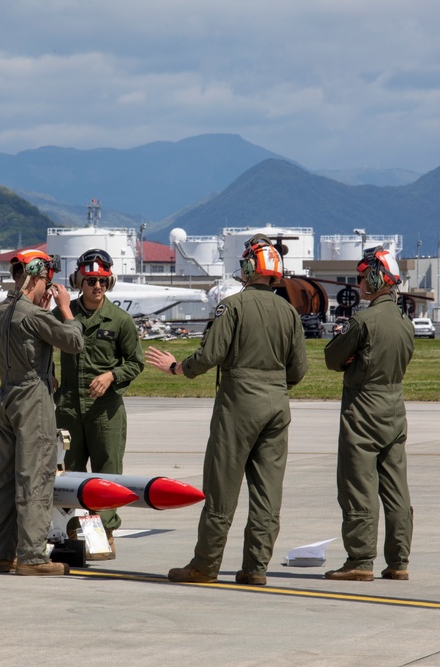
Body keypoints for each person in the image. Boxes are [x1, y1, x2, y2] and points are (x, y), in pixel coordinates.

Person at [145, 234, 307, 585]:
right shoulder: (290, 313)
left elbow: (209, 355)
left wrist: (177, 368)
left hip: (239, 404)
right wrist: (274, 388)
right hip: (277, 406)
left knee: (222, 488)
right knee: (267, 493)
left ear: (250, 268)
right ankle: (255, 568)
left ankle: (205, 564)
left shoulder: (232, 307)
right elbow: (298, 370)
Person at [0, 250, 83, 576]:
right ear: (37, 275)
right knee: (36, 475)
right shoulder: (33, 315)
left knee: (6, 477)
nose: (48, 287)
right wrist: (66, 309)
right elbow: (73, 341)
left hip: (6, 395)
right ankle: (32, 556)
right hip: (32, 398)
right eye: (47, 280)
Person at [323, 246, 415, 582]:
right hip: (394, 408)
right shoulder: (406, 324)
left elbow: (333, 360)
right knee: (395, 487)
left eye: (363, 276)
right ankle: (399, 560)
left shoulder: (363, 321)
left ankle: (360, 560)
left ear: (377, 278)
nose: (360, 282)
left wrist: (348, 356)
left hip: (363, 409)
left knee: (358, 485)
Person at [54, 249, 144, 560]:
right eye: (91, 280)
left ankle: (104, 534)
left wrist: (111, 375)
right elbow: (38, 345)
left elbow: (135, 362)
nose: (97, 287)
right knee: (69, 472)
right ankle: (72, 534)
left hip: (105, 409)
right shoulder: (64, 315)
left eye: (103, 281)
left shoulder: (120, 320)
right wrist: (50, 377)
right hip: (67, 406)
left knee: (107, 475)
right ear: (79, 280)